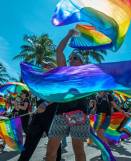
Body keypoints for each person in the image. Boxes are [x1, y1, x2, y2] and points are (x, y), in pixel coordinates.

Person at [46, 29, 90, 161]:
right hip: (61, 113)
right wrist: (69, 34)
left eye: (75, 58)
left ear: (82, 62)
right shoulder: (65, 73)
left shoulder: (87, 76)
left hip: (78, 114)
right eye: (70, 58)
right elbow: (59, 51)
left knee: (78, 151)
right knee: (50, 151)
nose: (71, 60)